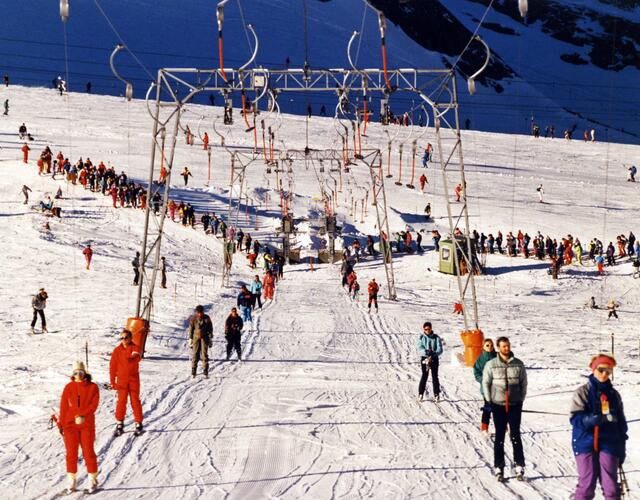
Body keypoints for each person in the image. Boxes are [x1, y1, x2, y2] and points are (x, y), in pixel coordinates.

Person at [570, 354, 627, 500]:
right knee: (587, 485)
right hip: (585, 441)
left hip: (609, 442)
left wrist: (621, 447)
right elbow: (575, 418)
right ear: (594, 369)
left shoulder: (614, 395)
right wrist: (589, 420)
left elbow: (621, 423)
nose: (604, 374)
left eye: (608, 371)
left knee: (611, 487)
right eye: (601, 370)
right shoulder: (582, 392)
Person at [482, 336, 527, 481]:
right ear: (498, 347)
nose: (506, 348)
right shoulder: (491, 364)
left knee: (515, 435)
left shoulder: (518, 364)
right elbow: (486, 382)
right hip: (498, 405)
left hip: (515, 404)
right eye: (503, 346)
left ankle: (519, 465)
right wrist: (489, 401)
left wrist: (520, 398)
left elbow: (523, 383)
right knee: (500, 436)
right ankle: (499, 467)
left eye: (508, 346)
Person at [57, 361, 100, 494]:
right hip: (70, 425)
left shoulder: (93, 387)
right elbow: (64, 407)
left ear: (84, 373)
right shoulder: (68, 387)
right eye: (76, 373)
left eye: (81, 372)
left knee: (88, 452)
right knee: (71, 454)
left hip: (86, 425)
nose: (78, 375)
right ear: (73, 374)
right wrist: (61, 424)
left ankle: (92, 480)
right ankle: (71, 481)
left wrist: (83, 415)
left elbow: (94, 405)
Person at [109, 329, 143, 436]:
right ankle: (120, 423)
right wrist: (112, 381)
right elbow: (112, 367)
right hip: (122, 381)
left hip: (133, 380)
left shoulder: (135, 347)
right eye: (122, 338)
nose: (124, 340)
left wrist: (132, 359)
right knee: (121, 402)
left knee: (135, 401)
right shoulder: (117, 350)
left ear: (130, 338)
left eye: (126, 337)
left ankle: (138, 423)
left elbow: (137, 357)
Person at [473, 338, 497, 435]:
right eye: (487, 345)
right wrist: (483, 380)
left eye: (491, 345)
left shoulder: (497, 357)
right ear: (483, 346)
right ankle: (484, 428)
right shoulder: (480, 359)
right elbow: (476, 372)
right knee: (488, 407)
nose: (490, 347)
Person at [416, 322, 443, 402]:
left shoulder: (436, 337)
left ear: (431, 329)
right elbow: (419, 348)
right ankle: (420, 393)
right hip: (425, 359)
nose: (427, 331)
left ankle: (436, 394)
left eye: (428, 329)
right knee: (424, 375)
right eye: (425, 329)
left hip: (434, 358)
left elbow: (440, 348)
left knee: (435, 376)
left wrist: (434, 353)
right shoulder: (421, 337)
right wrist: (425, 352)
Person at [188, 305, 213, 378]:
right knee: (195, 354)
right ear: (196, 312)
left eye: (201, 312)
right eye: (198, 312)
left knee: (204, 354)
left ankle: (205, 370)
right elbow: (191, 329)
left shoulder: (207, 318)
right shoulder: (193, 318)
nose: (199, 314)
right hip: (195, 337)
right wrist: (190, 339)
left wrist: (210, 338)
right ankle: (194, 369)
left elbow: (210, 328)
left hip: (204, 337)